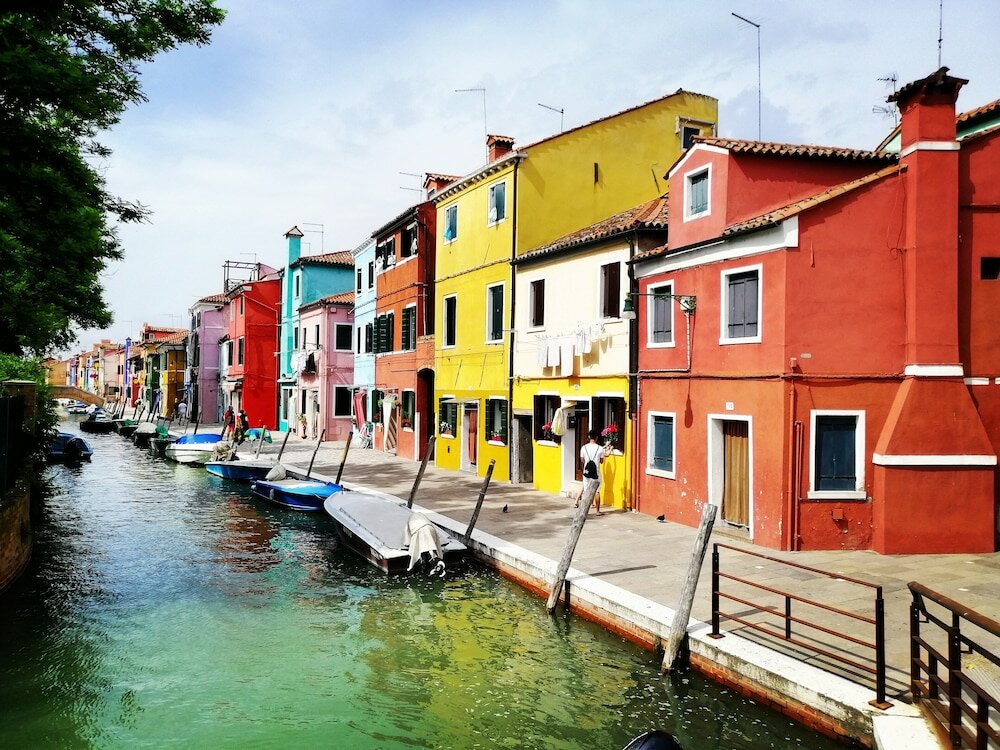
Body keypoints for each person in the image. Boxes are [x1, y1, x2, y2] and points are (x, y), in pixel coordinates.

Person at [577, 428, 607, 516]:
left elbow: (582, 460)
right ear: (597, 438)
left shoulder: (583, 448)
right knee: (597, 491)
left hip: (586, 472)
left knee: (586, 491)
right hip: (596, 473)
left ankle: (583, 511)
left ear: (589, 437)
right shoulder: (600, 448)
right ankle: (597, 511)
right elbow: (601, 461)